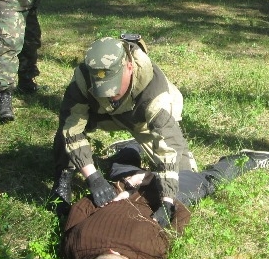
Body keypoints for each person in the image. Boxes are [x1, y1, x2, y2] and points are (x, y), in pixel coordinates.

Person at [60, 143, 269, 259]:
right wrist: (120, 190)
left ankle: (246, 159)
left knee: (207, 182)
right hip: (126, 187)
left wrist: (171, 202)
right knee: (120, 170)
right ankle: (130, 147)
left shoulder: (150, 252)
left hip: (162, 195)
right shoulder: (72, 248)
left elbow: (179, 220)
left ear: (113, 252)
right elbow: (81, 207)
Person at [51, 36, 195, 220]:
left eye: (114, 87)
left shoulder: (155, 95)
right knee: (66, 126)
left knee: (184, 180)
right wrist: (93, 177)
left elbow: (169, 146)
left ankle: (133, 145)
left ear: (129, 67)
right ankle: (63, 175)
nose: (110, 95)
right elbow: (72, 129)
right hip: (103, 113)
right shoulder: (83, 76)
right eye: (102, 88)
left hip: (141, 119)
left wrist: (167, 200)